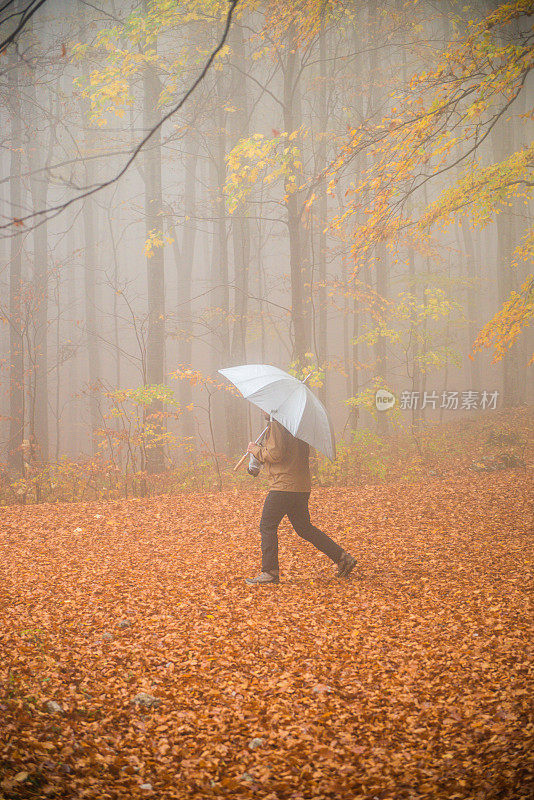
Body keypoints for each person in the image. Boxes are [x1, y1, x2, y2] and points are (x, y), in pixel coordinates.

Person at [245, 412, 357, 585]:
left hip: (283, 485)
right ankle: (343, 558)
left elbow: (275, 454)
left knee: (267, 526)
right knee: (304, 528)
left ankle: (270, 573)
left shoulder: (278, 423)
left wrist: (255, 450)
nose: (262, 411)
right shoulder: (297, 424)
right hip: (301, 486)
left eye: (264, 408)